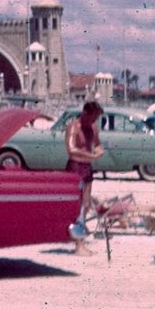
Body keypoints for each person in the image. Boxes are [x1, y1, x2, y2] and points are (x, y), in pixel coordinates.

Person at [64, 101, 104, 256]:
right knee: (77, 207)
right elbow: (71, 149)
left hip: (87, 168)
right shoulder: (73, 127)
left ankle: (78, 239)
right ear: (85, 113)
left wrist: (99, 151)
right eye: (93, 117)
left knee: (86, 205)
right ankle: (78, 244)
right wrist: (91, 155)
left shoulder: (93, 127)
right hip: (76, 168)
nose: (94, 121)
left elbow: (98, 144)